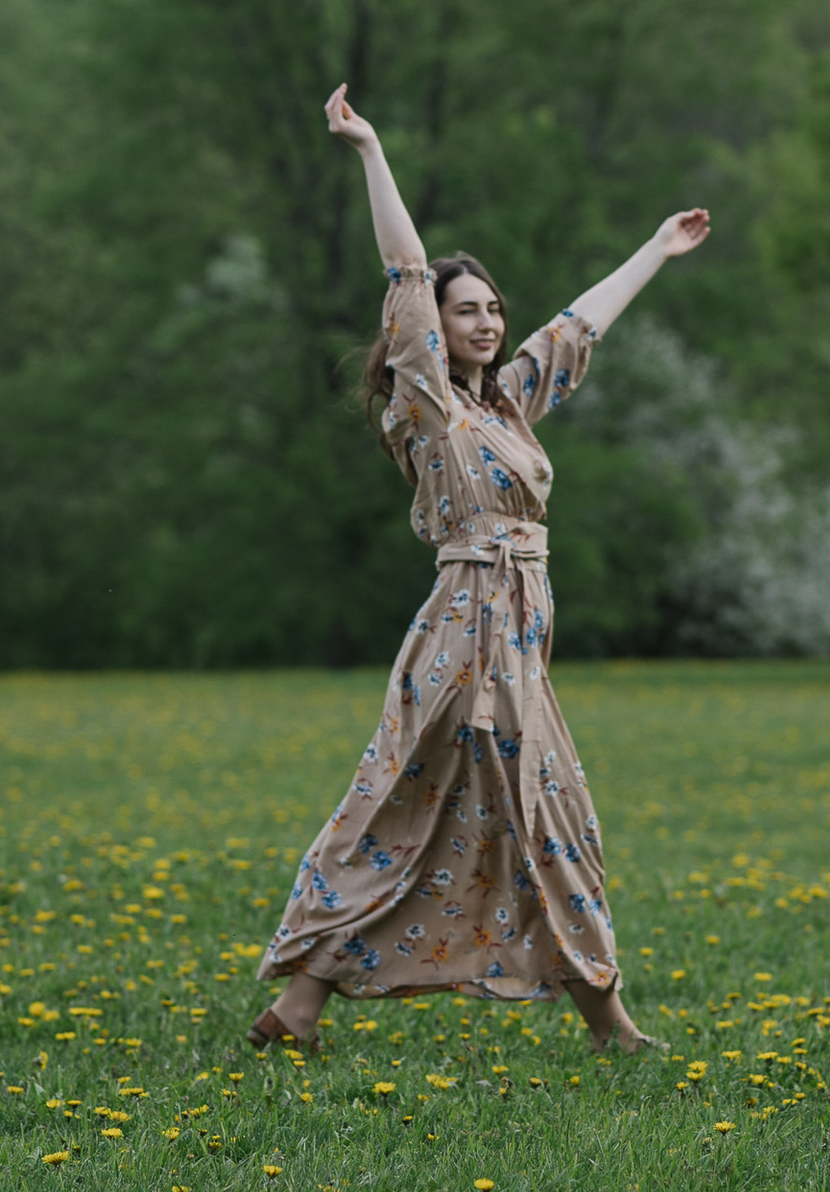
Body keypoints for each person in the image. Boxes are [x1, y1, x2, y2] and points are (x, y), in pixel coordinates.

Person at [250, 83, 709, 1055]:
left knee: (439, 807)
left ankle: (297, 1008)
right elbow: (406, 266)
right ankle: (609, 1023)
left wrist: (656, 250)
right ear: (431, 327)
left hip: (516, 629)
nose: (488, 321)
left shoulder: (504, 405)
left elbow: (577, 329)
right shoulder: (426, 403)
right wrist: (371, 149)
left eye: (493, 307)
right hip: (468, 628)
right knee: (533, 808)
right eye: (467, 311)